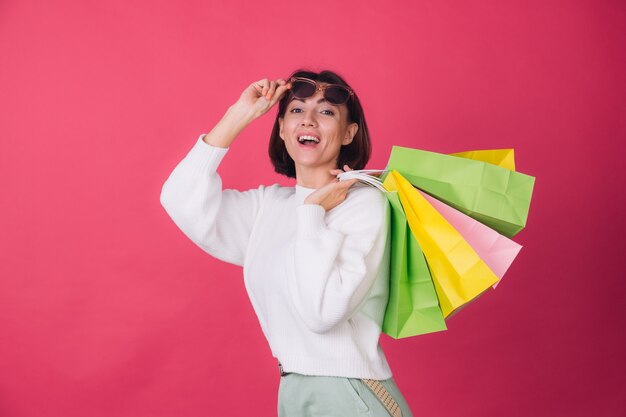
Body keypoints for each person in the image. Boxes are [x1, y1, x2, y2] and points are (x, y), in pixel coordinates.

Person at [160, 70, 414, 417]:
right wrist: (238, 114)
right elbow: (180, 200)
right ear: (281, 128)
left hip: (351, 393)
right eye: (296, 110)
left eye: (326, 112)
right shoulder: (268, 206)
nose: (308, 119)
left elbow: (322, 314)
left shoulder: (366, 204)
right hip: (294, 392)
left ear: (349, 133)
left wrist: (311, 215)